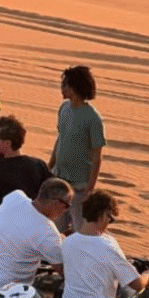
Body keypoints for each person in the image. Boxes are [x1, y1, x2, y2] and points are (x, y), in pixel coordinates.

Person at [57, 190, 149, 298]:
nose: (108, 223)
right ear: (102, 216)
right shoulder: (108, 245)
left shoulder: (67, 242)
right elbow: (137, 285)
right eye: (110, 219)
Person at [48, 66, 106, 233]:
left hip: (80, 187)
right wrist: (49, 166)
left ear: (75, 87)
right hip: (60, 181)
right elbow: (61, 138)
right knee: (55, 229)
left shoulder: (93, 118)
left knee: (80, 229)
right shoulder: (64, 108)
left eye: (65, 85)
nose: (62, 88)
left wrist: (90, 188)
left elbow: (97, 156)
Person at [0, 114, 52, 222]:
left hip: (8, 224)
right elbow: (52, 194)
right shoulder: (39, 164)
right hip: (32, 224)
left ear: (7, 143)